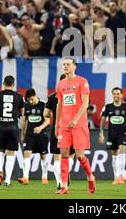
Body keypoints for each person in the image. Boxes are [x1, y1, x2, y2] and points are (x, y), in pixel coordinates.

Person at [55, 57, 95, 195]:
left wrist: (76, 119)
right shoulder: (60, 84)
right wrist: (56, 124)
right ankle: (64, 186)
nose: (65, 66)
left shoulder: (82, 82)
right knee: (64, 154)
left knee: (79, 156)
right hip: (64, 125)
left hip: (79, 125)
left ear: (74, 67)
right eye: (64, 64)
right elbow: (59, 105)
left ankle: (90, 176)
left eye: (68, 64)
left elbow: (85, 103)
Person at [0, 75, 25, 187]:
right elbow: (23, 113)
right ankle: (7, 181)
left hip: (0, 127)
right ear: (13, 84)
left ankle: (0, 171)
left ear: (3, 84)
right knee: (11, 153)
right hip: (13, 127)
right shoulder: (19, 96)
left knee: (0, 150)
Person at [44, 74, 75, 190]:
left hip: (57, 129)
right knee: (70, 155)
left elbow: (45, 114)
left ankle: (60, 183)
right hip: (71, 129)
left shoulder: (52, 97)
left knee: (57, 157)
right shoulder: (73, 96)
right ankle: (66, 175)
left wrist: (55, 115)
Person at [99, 87, 126, 185]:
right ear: (112, 95)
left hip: (123, 133)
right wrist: (101, 133)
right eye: (114, 94)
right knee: (114, 156)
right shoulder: (108, 107)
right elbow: (103, 121)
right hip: (111, 134)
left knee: (122, 153)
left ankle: (120, 176)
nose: (116, 95)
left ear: (121, 95)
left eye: (118, 94)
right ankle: (116, 176)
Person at [17, 88, 51, 185]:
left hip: (41, 135)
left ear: (35, 95)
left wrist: (40, 127)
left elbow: (47, 121)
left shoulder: (43, 106)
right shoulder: (26, 106)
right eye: (29, 100)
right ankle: (25, 177)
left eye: (32, 99)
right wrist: (23, 135)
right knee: (27, 153)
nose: (30, 102)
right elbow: (24, 121)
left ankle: (44, 177)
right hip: (29, 135)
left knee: (43, 156)